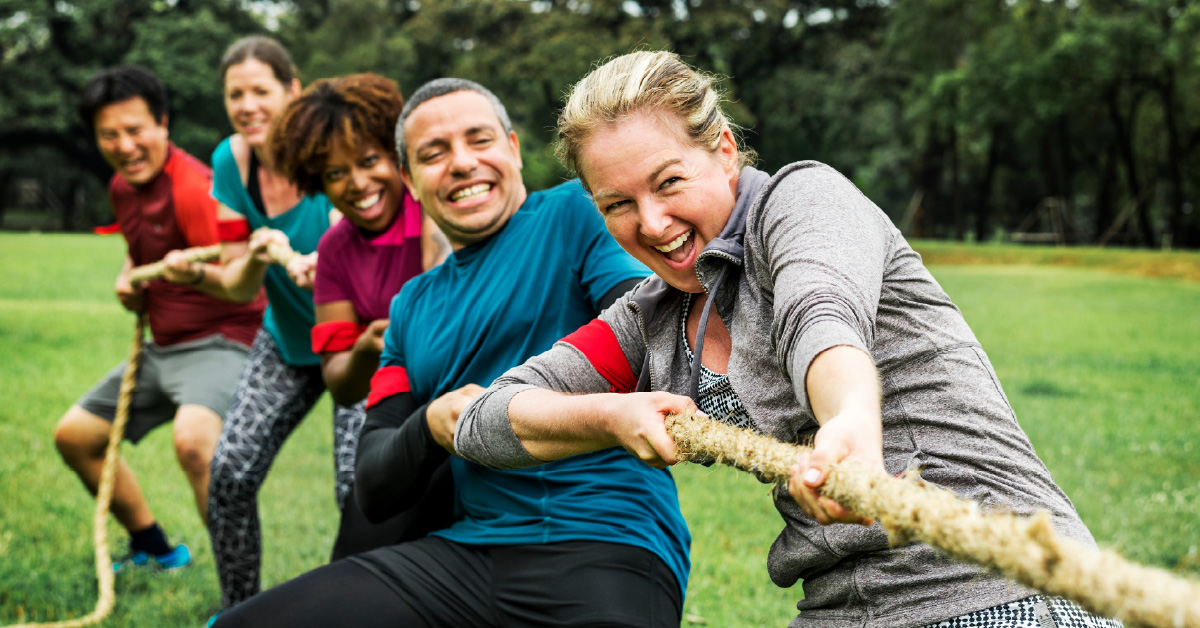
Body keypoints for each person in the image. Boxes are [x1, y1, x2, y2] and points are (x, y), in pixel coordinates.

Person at [456, 51, 1125, 628]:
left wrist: (851, 426)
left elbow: (821, 317)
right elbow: (487, 421)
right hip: (842, 608)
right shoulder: (650, 318)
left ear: (721, 151)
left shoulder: (804, 203)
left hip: (1000, 587)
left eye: (668, 183)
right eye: (617, 204)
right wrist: (610, 415)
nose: (653, 223)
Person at [213, 78, 689, 628]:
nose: (462, 163)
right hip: (463, 559)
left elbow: (649, 337)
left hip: (605, 541)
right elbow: (373, 485)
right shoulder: (411, 308)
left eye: (478, 140)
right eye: (433, 154)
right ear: (410, 181)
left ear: (512, 148)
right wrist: (431, 426)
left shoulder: (574, 215)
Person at [55, 65, 265, 573]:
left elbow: (243, 281)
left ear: (163, 124)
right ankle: (156, 549)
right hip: (162, 347)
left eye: (135, 130)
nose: (125, 145)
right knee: (75, 436)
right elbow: (140, 254)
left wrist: (189, 276)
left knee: (194, 441)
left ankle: (242, 596)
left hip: (223, 340)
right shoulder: (123, 189)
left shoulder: (195, 188)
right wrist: (130, 279)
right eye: (110, 135)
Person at [190, 35, 348, 611]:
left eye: (261, 90)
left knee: (357, 490)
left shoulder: (332, 151)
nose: (247, 105)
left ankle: (353, 612)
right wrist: (249, 258)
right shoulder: (231, 161)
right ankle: (239, 613)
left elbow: (358, 232)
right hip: (285, 342)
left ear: (293, 91)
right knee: (228, 473)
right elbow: (235, 283)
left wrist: (328, 258)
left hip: (359, 344)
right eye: (236, 94)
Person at [266, 72, 451, 558]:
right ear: (316, 181)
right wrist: (369, 348)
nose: (358, 183)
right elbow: (340, 383)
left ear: (397, 156)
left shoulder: (432, 205)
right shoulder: (334, 251)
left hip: (470, 399)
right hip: (400, 406)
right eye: (335, 173)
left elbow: (447, 286)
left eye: (370, 161)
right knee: (361, 545)